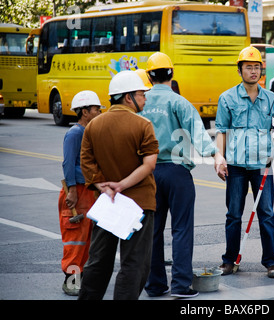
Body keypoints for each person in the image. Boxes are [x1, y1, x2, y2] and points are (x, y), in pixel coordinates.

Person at [140, 52, 227, 299]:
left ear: (149, 76)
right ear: (171, 74)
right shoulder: (180, 103)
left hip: (148, 174)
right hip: (178, 173)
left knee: (152, 231)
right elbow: (199, 134)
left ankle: (155, 285)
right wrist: (216, 157)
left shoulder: (140, 102)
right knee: (181, 230)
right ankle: (180, 286)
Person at [78, 70, 159, 300]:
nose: (145, 98)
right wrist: (122, 185)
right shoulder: (143, 125)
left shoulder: (93, 126)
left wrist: (103, 186)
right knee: (134, 264)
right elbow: (149, 164)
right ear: (128, 97)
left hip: (108, 203)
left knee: (98, 261)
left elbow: (87, 161)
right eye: (142, 94)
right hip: (139, 205)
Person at [215, 46, 274, 278]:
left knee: (266, 213)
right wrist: (219, 158)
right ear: (240, 70)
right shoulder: (227, 98)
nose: (253, 71)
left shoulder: (271, 99)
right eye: (249, 67)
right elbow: (221, 131)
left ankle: (272, 262)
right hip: (235, 166)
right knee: (234, 214)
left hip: (263, 167)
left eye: (257, 67)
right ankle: (230, 260)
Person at [58, 90, 103, 296]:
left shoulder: (90, 131)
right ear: (84, 111)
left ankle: (82, 276)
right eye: (96, 109)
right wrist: (73, 191)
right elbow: (68, 163)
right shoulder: (75, 133)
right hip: (77, 192)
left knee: (87, 238)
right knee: (76, 239)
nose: (99, 111)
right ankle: (72, 279)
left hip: (89, 192)